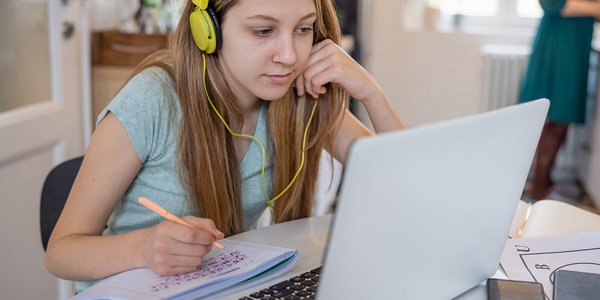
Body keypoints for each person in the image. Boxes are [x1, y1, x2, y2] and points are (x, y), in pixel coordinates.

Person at [44, 0, 403, 293]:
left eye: (303, 29)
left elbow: (405, 186)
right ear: (208, 32)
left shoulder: (299, 95)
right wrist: (142, 248)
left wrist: (371, 93)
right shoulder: (153, 99)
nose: (289, 55)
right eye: (263, 30)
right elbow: (61, 253)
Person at [520, 0, 600, 200]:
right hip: (558, 44)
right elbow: (551, 4)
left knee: (560, 118)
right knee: (555, 117)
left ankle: (544, 184)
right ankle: (538, 190)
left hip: (577, 42)